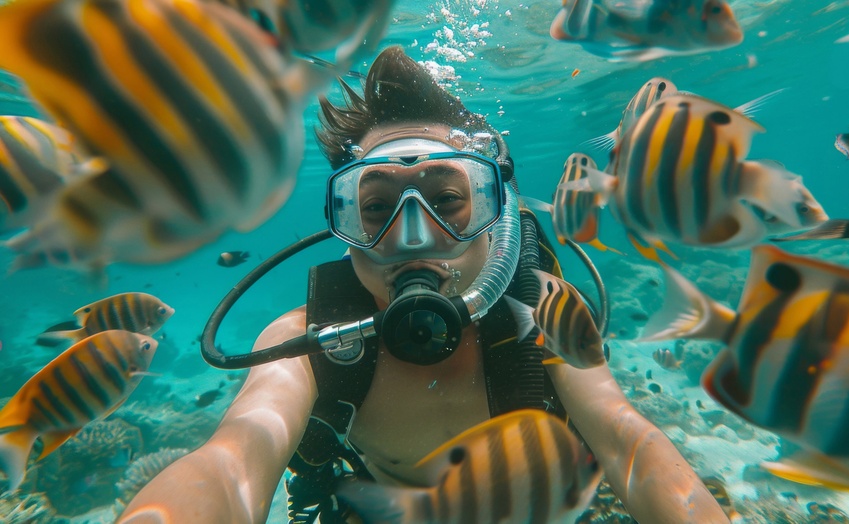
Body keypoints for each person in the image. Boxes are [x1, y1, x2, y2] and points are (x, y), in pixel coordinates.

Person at [119, 46, 729, 524]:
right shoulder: (307, 340)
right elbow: (230, 464)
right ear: (346, 223)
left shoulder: (547, 312)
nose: (416, 237)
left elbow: (627, 443)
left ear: (496, 212)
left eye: (448, 200)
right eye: (377, 208)